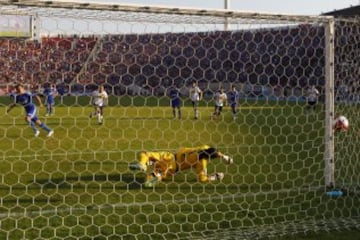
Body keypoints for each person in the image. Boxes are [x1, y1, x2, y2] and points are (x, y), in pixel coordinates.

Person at [129, 145, 233, 187]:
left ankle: (143, 164)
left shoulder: (204, 147)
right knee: (157, 175)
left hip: (170, 157)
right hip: (174, 169)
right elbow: (202, 179)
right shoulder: (202, 162)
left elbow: (212, 150)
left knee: (146, 154)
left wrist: (224, 156)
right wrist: (215, 177)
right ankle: (156, 176)